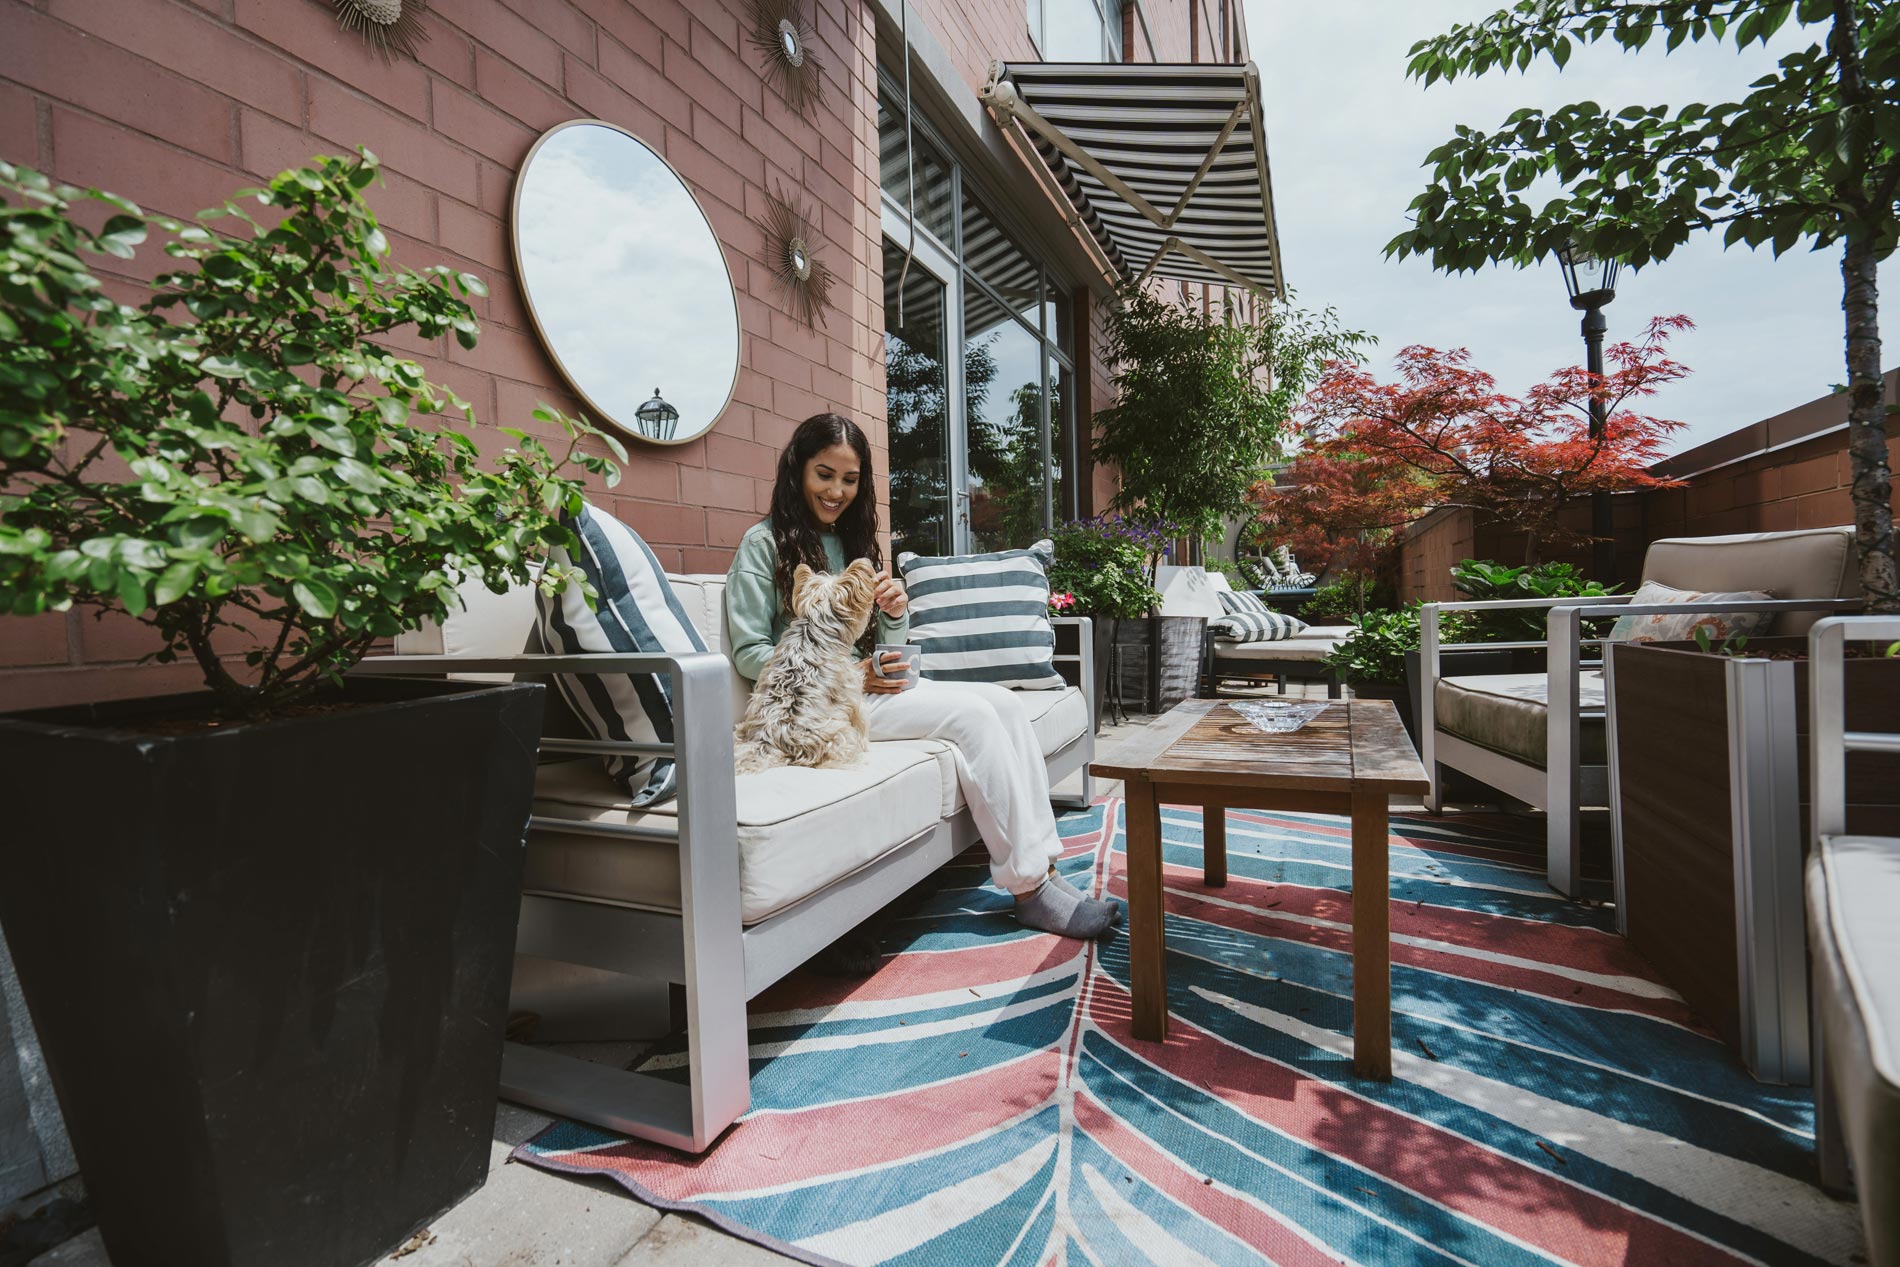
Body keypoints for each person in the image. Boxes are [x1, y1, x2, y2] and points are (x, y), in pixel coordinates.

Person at [725, 412, 1118, 941]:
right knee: (975, 717)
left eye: (850, 478)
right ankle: (1030, 891)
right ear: (797, 469)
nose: (837, 490)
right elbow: (750, 652)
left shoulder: (853, 540)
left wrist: (893, 614)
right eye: (825, 474)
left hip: (871, 688)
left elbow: (888, 648)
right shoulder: (762, 545)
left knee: (1000, 703)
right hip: (818, 708)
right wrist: (848, 672)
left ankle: (1046, 870)